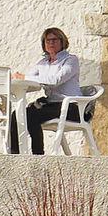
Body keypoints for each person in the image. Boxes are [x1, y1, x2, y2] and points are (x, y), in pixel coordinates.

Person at [13, 26, 88, 154]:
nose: (51, 43)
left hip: (71, 107)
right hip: (51, 105)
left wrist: (25, 77)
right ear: (44, 44)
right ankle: (14, 154)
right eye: (48, 40)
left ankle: (38, 155)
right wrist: (17, 78)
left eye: (55, 40)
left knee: (32, 115)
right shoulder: (43, 63)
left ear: (62, 41)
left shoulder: (70, 60)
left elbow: (55, 80)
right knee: (17, 115)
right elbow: (30, 79)